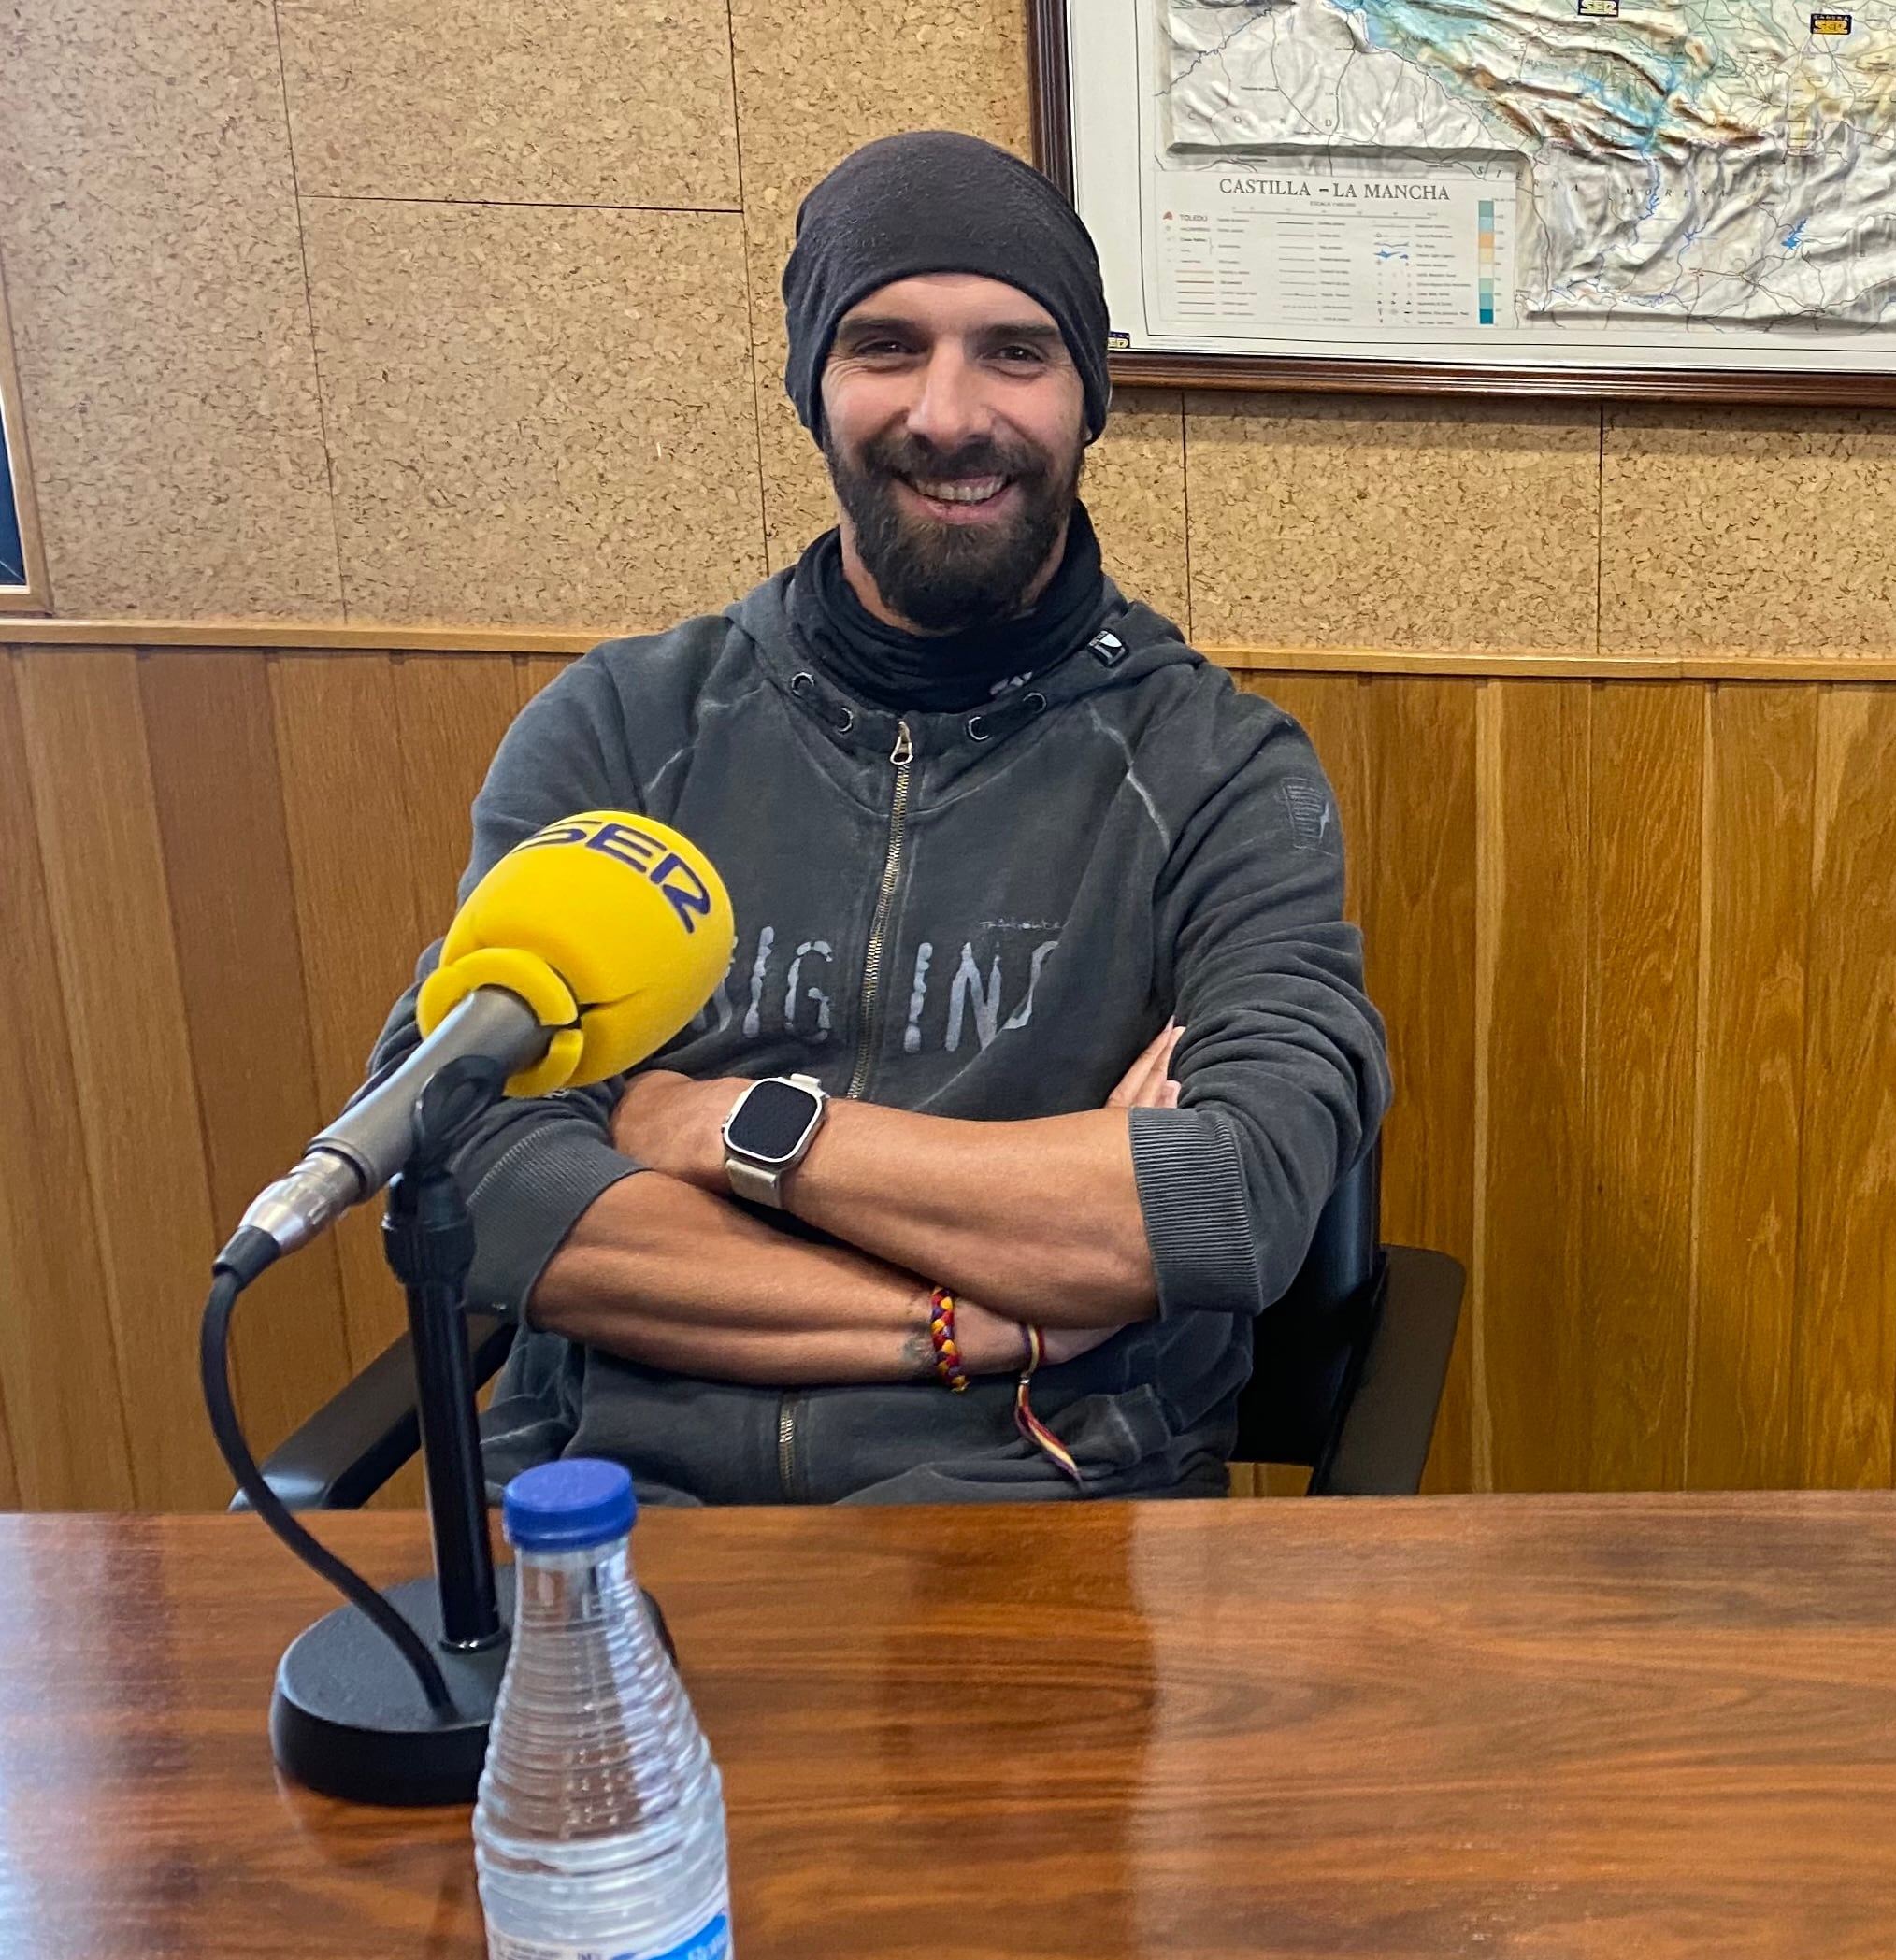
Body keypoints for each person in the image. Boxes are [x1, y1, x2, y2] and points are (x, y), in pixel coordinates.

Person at [370, 131, 1387, 1504]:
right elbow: (462, 1159)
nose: (950, 413)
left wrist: (726, 1125)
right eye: (886, 345)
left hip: (1048, 1514)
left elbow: (1229, 1200)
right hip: (612, 1511)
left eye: (1015, 351)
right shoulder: (623, 727)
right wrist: (974, 1321)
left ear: (1090, 398)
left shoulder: (1219, 771)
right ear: (814, 387)